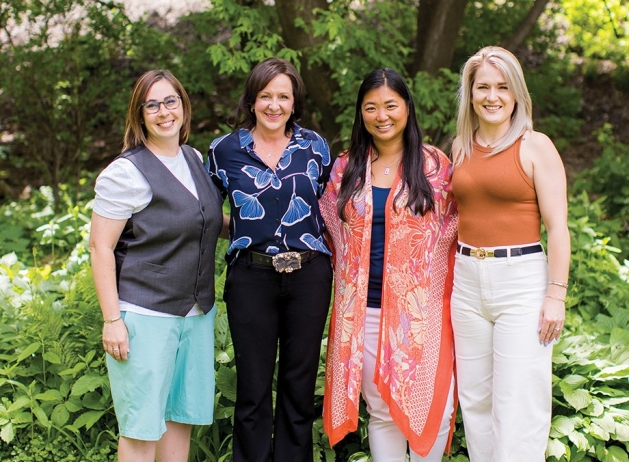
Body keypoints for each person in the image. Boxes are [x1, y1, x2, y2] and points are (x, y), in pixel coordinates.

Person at [320, 68, 458, 462]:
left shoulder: (436, 166)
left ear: (407, 107)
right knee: (380, 414)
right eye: (371, 107)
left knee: (434, 408)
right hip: (362, 313)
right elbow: (329, 230)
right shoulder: (346, 167)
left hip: (423, 318)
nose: (382, 115)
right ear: (360, 113)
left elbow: (458, 229)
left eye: (390, 105)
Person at [89, 69, 224, 462]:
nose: (164, 112)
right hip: (145, 316)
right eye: (153, 105)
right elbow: (100, 248)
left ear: (183, 105)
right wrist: (112, 320)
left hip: (195, 314)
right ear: (140, 114)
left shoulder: (194, 158)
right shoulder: (125, 172)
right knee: (141, 429)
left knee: (179, 420)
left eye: (171, 101)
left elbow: (204, 221)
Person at [206, 57, 333, 462]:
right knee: (253, 390)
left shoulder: (315, 146)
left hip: (309, 276)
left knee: (299, 390)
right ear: (252, 100)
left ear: (294, 102)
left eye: (283, 96)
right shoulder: (224, 150)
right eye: (265, 96)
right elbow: (205, 214)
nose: (274, 105)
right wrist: (246, 228)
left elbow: (331, 211)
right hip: (251, 279)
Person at [450, 46, 570, 462]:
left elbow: (558, 227)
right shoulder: (460, 147)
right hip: (466, 280)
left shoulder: (536, 146)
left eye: (502, 86)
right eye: (482, 86)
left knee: (519, 401)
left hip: (521, 280)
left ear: (517, 93)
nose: (492, 95)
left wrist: (556, 294)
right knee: (477, 402)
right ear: (470, 93)